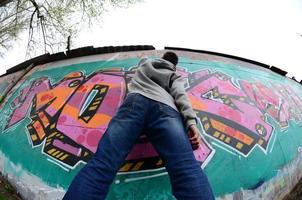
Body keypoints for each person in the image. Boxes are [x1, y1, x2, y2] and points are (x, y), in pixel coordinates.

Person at [63, 51, 215, 200]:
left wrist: (143, 57)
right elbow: (180, 95)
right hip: (165, 108)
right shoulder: (173, 75)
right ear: (174, 65)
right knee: (185, 167)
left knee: (103, 162)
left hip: (135, 102)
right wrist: (191, 122)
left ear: (162, 58)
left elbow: (143, 59)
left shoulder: (146, 65)